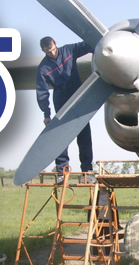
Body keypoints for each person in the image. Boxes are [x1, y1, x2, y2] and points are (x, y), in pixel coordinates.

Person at [36, 36, 95, 184]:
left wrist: (105, 49)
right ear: (43, 51)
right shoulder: (43, 68)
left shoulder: (69, 50)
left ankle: (87, 172)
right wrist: (47, 114)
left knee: (84, 135)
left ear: (55, 44)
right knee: (61, 137)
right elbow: (42, 93)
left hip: (78, 97)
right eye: (48, 52)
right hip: (62, 102)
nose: (52, 53)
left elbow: (88, 44)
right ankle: (62, 172)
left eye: (53, 50)